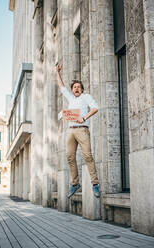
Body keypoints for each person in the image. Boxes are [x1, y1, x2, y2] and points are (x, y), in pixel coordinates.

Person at [56, 64, 100, 198]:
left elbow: (95, 108)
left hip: (82, 130)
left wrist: (84, 117)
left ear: (82, 89)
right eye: (74, 87)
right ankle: (75, 184)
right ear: (72, 90)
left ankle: (95, 184)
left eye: (78, 87)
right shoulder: (71, 98)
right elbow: (62, 86)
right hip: (70, 131)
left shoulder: (86, 97)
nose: (76, 89)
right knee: (70, 157)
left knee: (87, 156)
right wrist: (57, 72)